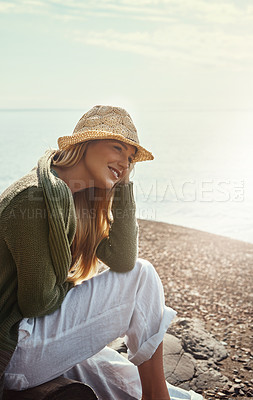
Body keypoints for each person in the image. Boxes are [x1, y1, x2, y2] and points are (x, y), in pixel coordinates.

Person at [0, 105, 203, 400]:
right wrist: (72, 287)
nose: (125, 162)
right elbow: (37, 302)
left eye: (131, 158)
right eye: (117, 148)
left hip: (28, 341)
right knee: (141, 276)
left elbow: (121, 258)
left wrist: (123, 187)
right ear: (86, 144)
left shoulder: (72, 197)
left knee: (122, 378)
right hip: (13, 349)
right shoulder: (36, 197)